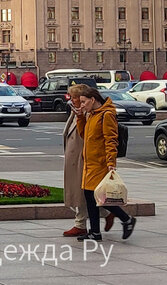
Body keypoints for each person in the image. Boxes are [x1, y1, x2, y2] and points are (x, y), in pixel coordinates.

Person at [75, 84, 135, 241]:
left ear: (92, 99)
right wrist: (80, 116)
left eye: (83, 102)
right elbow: (83, 135)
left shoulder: (106, 114)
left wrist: (110, 162)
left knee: (98, 197)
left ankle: (126, 219)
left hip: (100, 163)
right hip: (90, 162)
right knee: (91, 196)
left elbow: (111, 139)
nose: (81, 105)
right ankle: (95, 232)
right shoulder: (92, 114)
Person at [62, 85, 108, 236]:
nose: (73, 100)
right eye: (73, 97)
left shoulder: (91, 114)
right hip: (75, 159)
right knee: (83, 193)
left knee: (82, 193)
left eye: (76, 97)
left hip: (84, 160)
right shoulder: (76, 112)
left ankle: (81, 224)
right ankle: (108, 214)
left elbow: (100, 138)